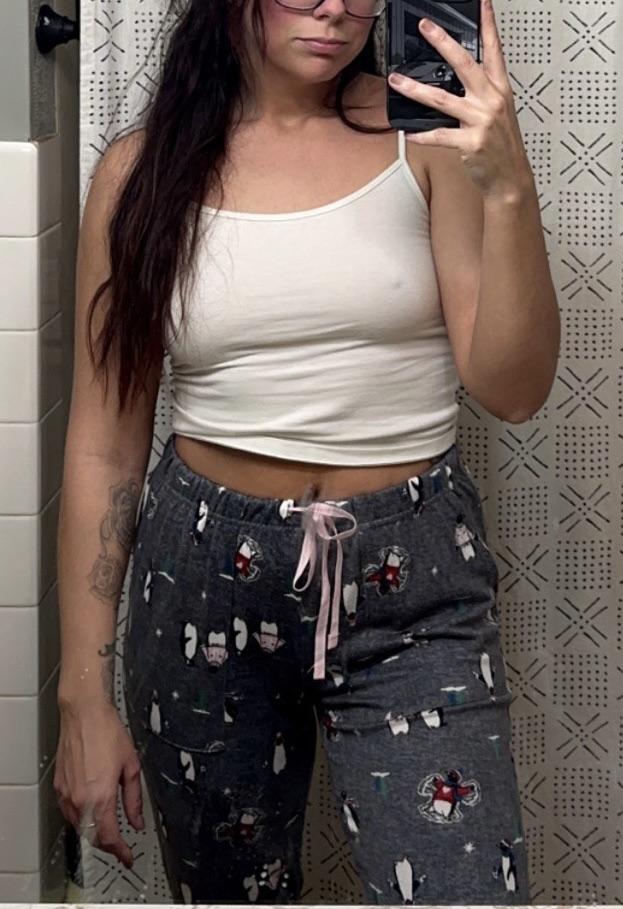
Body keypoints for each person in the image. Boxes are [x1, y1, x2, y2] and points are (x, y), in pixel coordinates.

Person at [54, 0, 537, 903]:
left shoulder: (427, 141)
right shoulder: (139, 172)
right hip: (201, 582)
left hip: (413, 580)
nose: (338, 6)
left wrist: (508, 186)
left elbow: (513, 389)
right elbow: (103, 447)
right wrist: (82, 695)